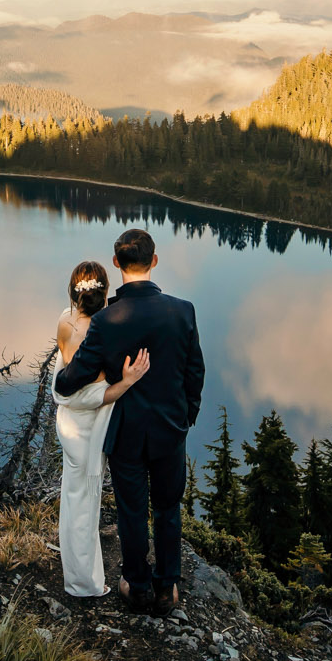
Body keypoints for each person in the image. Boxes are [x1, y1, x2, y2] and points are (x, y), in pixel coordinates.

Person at [54, 228, 205, 615]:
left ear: (117, 263)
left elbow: (72, 380)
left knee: (132, 510)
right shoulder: (182, 309)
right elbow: (194, 371)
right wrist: (186, 416)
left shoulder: (106, 320)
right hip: (171, 430)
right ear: (154, 261)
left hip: (126, 434)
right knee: (168, 508)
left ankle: (136, 586)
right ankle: (167, 589)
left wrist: (63, 375)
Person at [52, 260, 149, 598]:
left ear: (74, 291)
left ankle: (80, 577)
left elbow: (68, 378)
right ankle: (85, 585)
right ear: (105, 291)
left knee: (74, 500)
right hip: (90, 426)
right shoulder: (107, 329)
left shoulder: (65, 322)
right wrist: (129, 380)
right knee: (85, 505)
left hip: (68, 424)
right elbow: (99, 395)